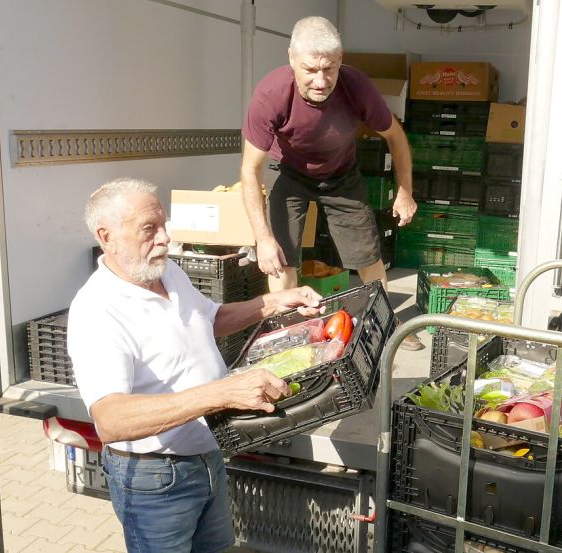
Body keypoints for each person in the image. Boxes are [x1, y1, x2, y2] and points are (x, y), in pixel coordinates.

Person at [67, 178, 324, 553]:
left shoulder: (164, 271)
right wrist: (222, 393)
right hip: (156, 480)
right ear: (106, 237)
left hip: (207, 457)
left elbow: (209, 318)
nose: (165, 238)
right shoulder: (98, 310)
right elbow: (110, 420)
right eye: (149, 229)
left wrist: (272, 303)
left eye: (164, 225)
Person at [240, 15, 424, 350]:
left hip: (341, 174)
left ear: (341, 61)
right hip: (288, 172)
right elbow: (249, 170)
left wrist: (405, 191)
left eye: (330, 69)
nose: (321, 81)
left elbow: (396, 138)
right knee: (280, 258)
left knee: (368, 254)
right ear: (292, 59)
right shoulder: (271, 95)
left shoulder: (357, 87)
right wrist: (263, 239)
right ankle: (287, 328)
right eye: (310, 70)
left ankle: (384, 323)